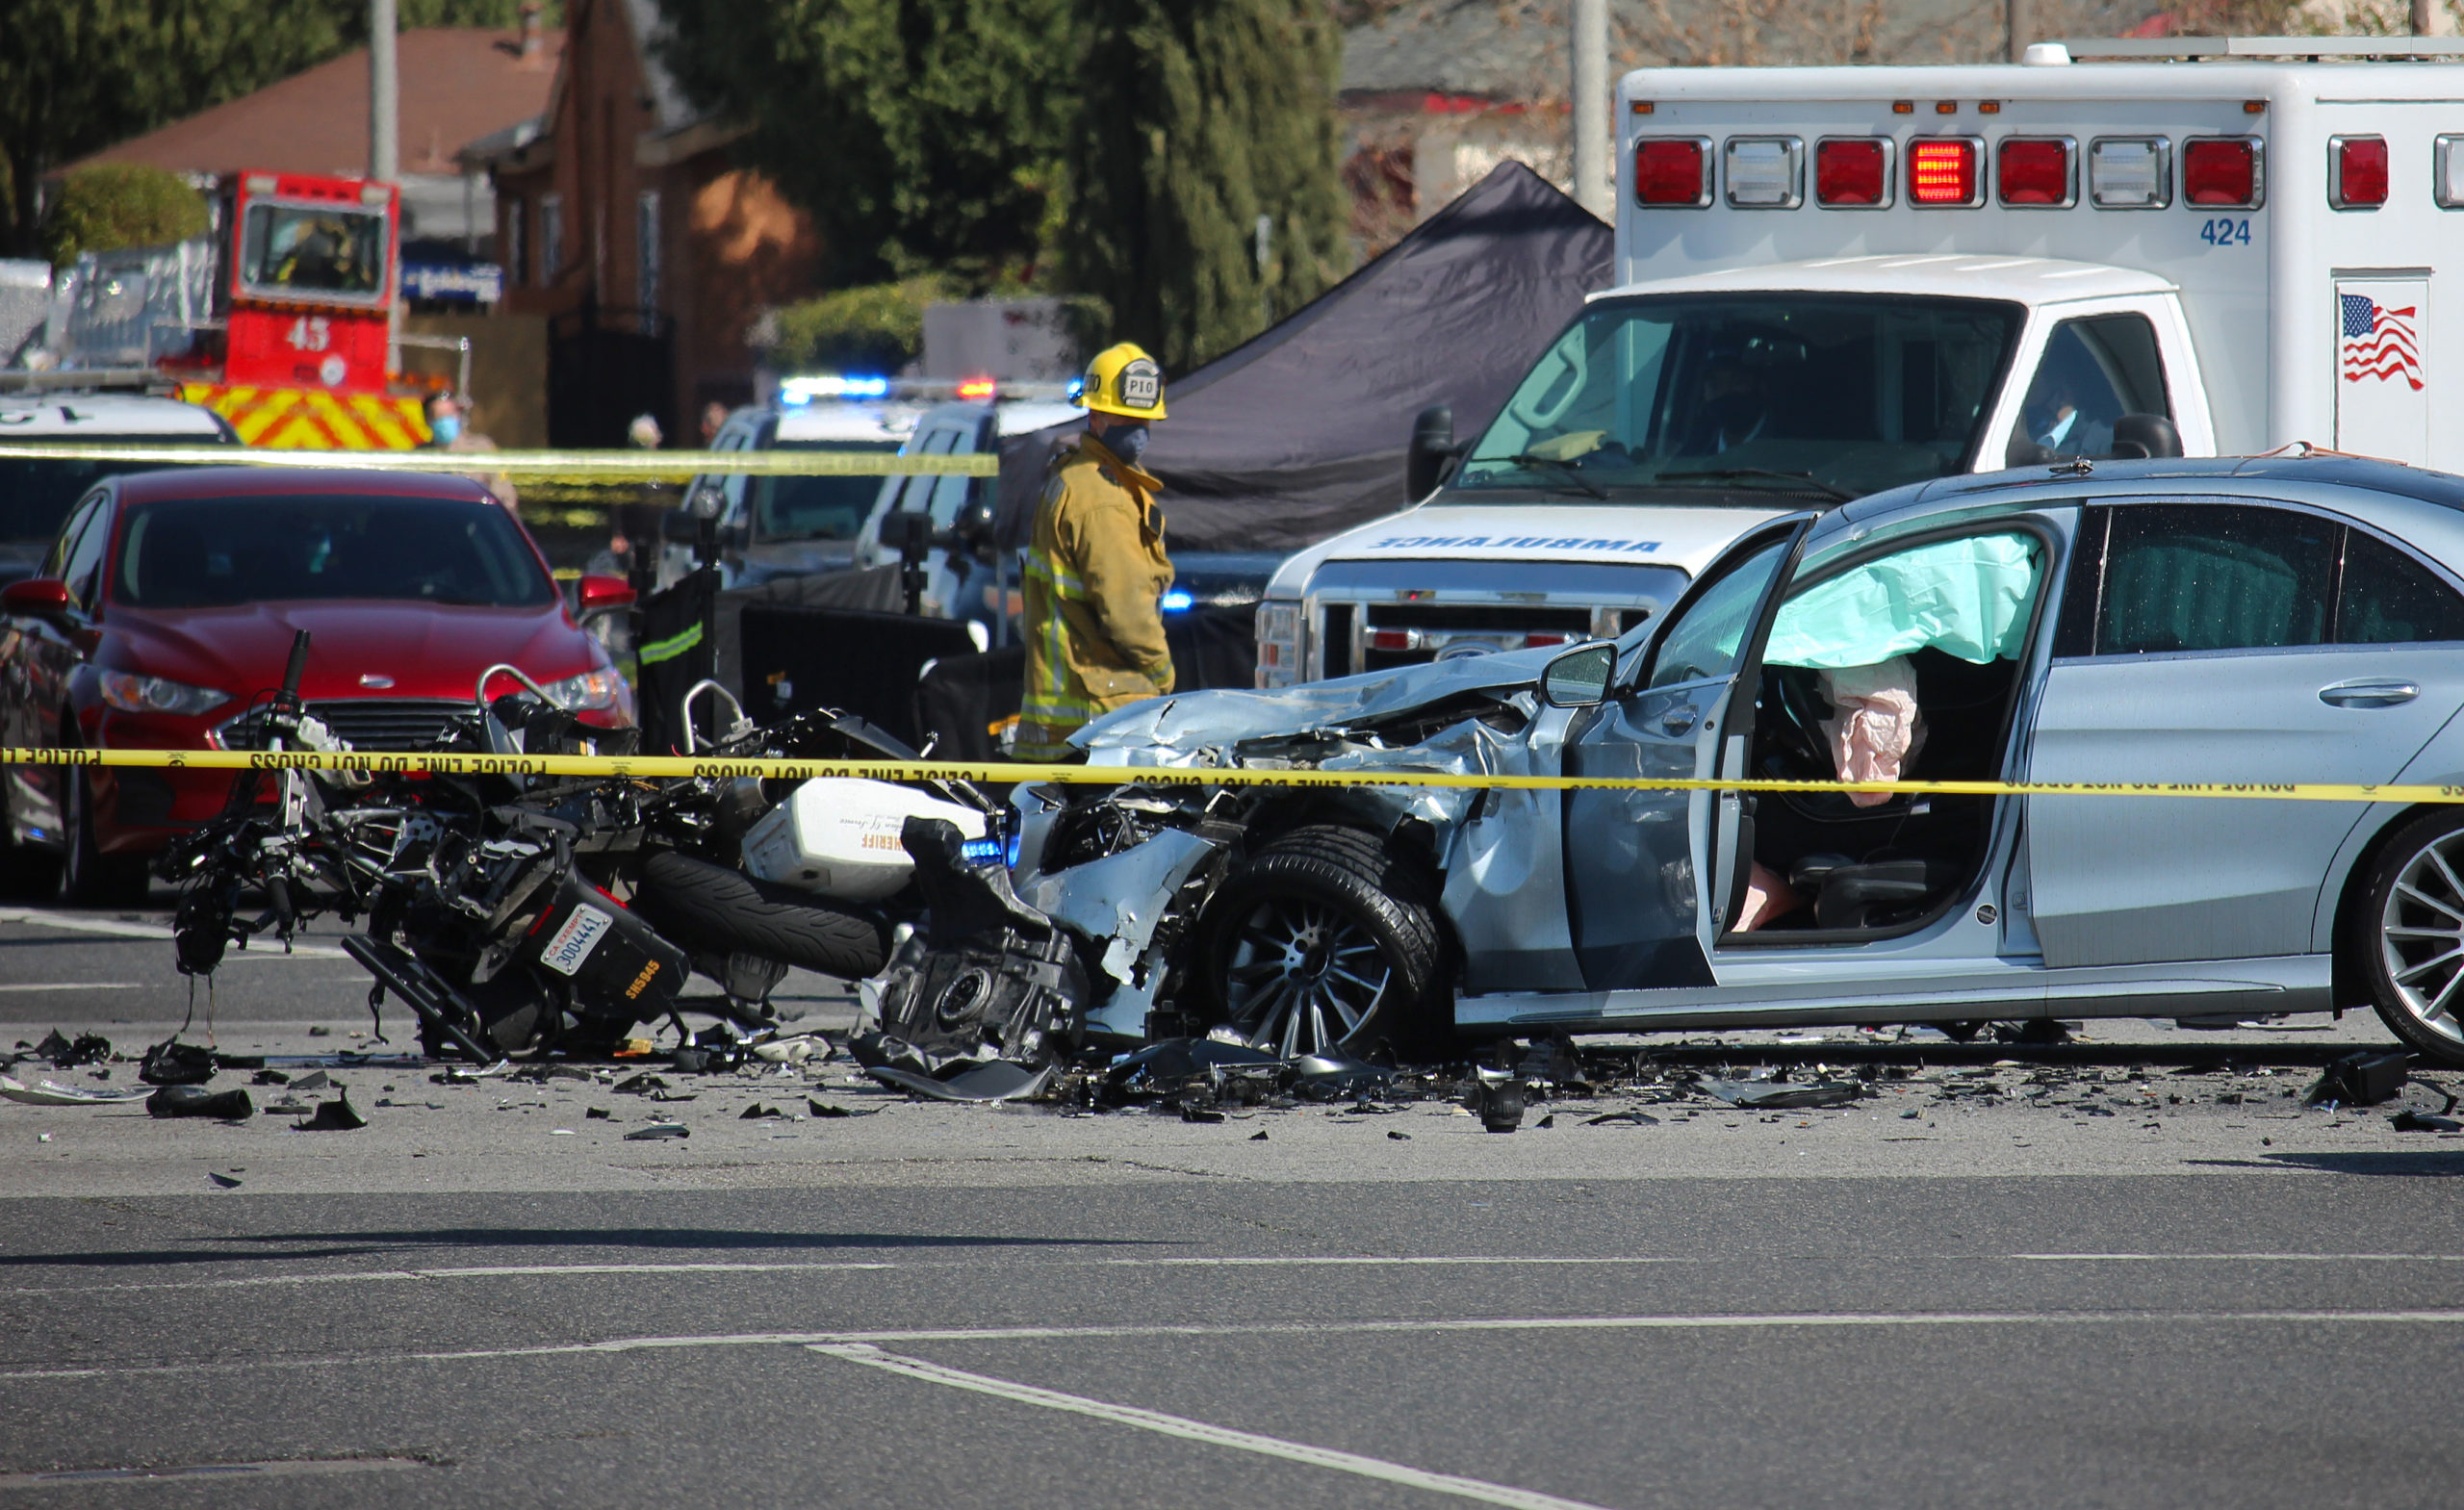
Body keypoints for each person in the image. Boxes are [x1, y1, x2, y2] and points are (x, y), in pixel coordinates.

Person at [1014, 343, 1176, 761]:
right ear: (1096, 416)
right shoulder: (1101, 498)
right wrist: (1164, 675)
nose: (1138, 430)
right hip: (1097, 720)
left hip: (1073, 716)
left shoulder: (1081, 480)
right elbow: (1127, 612)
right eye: (1126, 417)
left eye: (1144, 418)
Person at [423, 390, 517, 509]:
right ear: (428, 421)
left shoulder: (482, 448)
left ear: (458, 416)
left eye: (450, 414)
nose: (446, 421)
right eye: (440, 416)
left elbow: (504, 495)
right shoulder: (420, 457)